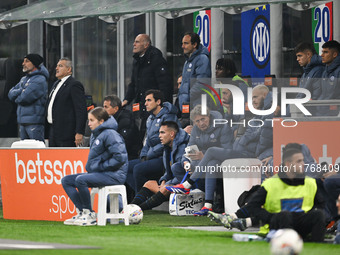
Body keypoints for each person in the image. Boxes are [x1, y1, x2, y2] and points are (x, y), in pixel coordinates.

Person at [209, 148, 326, 242]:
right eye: (299, 161)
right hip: (279, 223)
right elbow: (253, 206)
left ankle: (316, 244)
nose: (303, 164)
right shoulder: (270, 184)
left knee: (318, 215)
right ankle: (236, 218)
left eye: (303, 161)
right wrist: (270, 218)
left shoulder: (310, 183)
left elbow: (321, 206)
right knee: (284, 215)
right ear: (288, 164)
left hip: (300, 223)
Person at [61, 107, 128, 226]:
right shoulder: (96, 134)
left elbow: (120, 158)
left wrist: (101, 166)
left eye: (92, 120)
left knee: (81, 180)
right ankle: (82, 211)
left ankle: (89, 214)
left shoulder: (111, 134)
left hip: (115, 175)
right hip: (102, 173)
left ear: (101, 121)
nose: (89, 123)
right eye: (88, 120)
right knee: (66, 180)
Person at [166, 104, 234, 215]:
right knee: (176, 167)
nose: (201, 123)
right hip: (202, 161)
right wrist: (186, 161)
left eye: (203, 119)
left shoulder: (222, 125)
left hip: (221, 159)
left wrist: (205, 156)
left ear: (209, 117)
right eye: (197, 121)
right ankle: (198, 196)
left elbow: (227, 150)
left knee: (211, 161)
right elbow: (189, 149)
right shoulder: (195, 130)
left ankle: (205, 203)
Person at [126, 90, 179, 193]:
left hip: (164, 157)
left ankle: (141, 200)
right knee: (125, 168)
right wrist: (143, 155)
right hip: (151, 156)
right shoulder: (150, 119)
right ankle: (149, 193)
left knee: (138, 169)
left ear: (158, 102)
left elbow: (168, 141)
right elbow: (148, 141)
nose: (145, 103)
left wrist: (150, 153)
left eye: (149, 100)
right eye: (145, 100)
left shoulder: (168, 117)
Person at [130, 121, 189, 210]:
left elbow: (182, 174)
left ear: (172, 134)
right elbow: (167, 172)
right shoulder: (167, 148)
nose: (159, 136)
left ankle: (139, 209)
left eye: (162, 132)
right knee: (149, 183)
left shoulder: (182, 147)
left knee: (165, 188)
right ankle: (131, 207)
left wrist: (167, 184)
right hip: (172, 184)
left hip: (184, 185)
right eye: (159, 133)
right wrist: (163, 181)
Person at [122, 34, 172, 137]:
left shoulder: (156, 60)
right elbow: (133, 84)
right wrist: (126, 100)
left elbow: (165, 85)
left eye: (137, 42)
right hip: (140, 105)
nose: (134, 44)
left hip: (153, 107)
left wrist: (164, 106)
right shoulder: (137, 61)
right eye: (134, 41)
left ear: (146, 45)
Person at [46, 57, 87, 147]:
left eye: (60, 66)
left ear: (69, 69)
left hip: (66, 133)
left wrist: (79, 132)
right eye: (57, 66)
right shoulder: (55, 84)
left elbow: (81, 110)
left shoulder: (74, 85)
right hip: (53, 130)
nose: (56, 68)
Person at [8, 54, 49, 142]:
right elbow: (10, 94)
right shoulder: (24, 79)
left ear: (34, 64)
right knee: (25, 152)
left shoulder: (40, 79)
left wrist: (18, 94)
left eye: (27, 61)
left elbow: (24, 98)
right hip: (22, 122)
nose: (23, 63)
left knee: (37, 151)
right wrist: (22, 90)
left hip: (35, 122)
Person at [178, 32, 211, 111]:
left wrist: (187, 96)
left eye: (186, 43)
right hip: (187, 104)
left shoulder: (202, 59)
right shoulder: (188, 61)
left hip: (196, 105)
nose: (183, 46)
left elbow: (202, 83)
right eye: (182, 43)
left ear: (194, 44)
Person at [103, 94, 142, 160]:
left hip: (129, 156)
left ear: (116, 108)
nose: (103, 110)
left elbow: (124, 143)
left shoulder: (125, 119)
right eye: (103, 107)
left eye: (106, 107)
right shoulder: (109, 120)